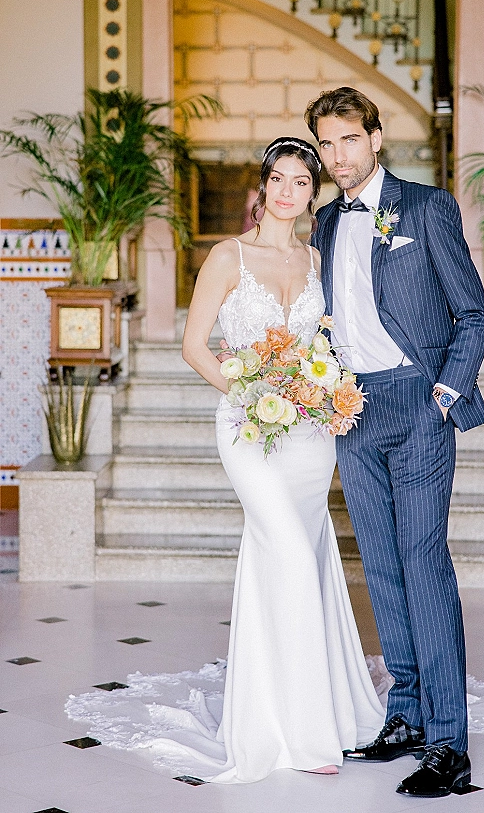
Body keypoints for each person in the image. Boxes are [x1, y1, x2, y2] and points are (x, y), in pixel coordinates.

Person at [305, 87, 484, 798]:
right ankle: (407, 715)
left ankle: (449, 743)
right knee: (380, 569)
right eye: (325, 144)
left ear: (377, 138)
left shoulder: (425, 207)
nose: (337, 156)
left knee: (424, 566)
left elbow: (474, 314)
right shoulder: (324, 223)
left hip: (419, 402)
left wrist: (443, 395)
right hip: (353, 409)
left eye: (348, 139)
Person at [179, 136, 384, 782]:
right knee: (291, 556)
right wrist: (253, 392)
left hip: (309, 436)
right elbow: (195, 346)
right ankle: (299, 734)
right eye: (279, 179)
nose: (289, 190)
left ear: (311, 193)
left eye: (302, 181)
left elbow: (325, 343)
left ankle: (302, 708)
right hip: (249, 427)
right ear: (262, 187)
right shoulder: (227, 255)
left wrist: (323, 392)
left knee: (306, 556)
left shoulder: (317, 257)